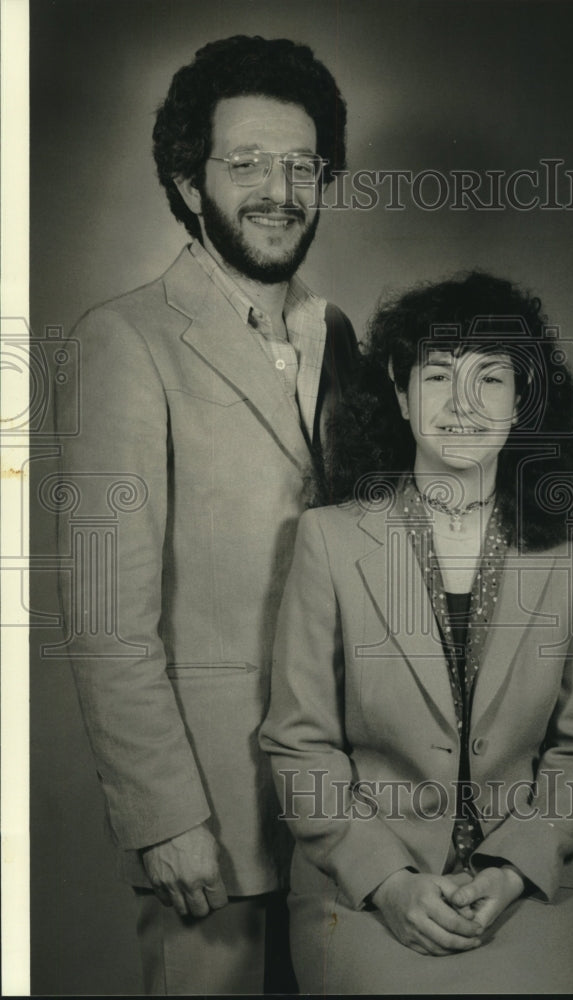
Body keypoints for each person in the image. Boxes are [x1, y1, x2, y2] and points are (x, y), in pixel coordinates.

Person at [55, 34, 356, 995]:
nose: (282, 187)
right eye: (249, 162)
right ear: (190, 185)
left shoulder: (339, 333)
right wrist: (163, 817)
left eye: (304, 164)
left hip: (358, 814)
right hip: (214, 822)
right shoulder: (122, 339)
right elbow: (106, 616)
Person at [260, 271, 573, 993]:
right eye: (438, 377)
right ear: (400, 396)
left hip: (522, 887)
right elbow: (298, 744)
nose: (463, 405)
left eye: (490, 379)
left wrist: (513, 869)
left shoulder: (572, 549)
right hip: (364, 890)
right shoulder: (329, 541)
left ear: (522, 401)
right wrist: (389, 882)